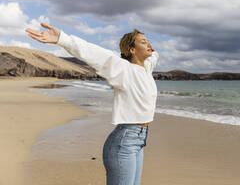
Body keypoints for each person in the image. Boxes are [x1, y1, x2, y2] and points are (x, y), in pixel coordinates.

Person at [25, 22, 159, 185]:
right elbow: (94, 53)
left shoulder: (147, 68)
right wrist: (63, 39)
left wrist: (148, 46)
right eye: (143, 42)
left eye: (148, 41)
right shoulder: (123, 69)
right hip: (124, 142)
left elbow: (154, 55)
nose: (149, 44)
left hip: (139, 141)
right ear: (131, 49)